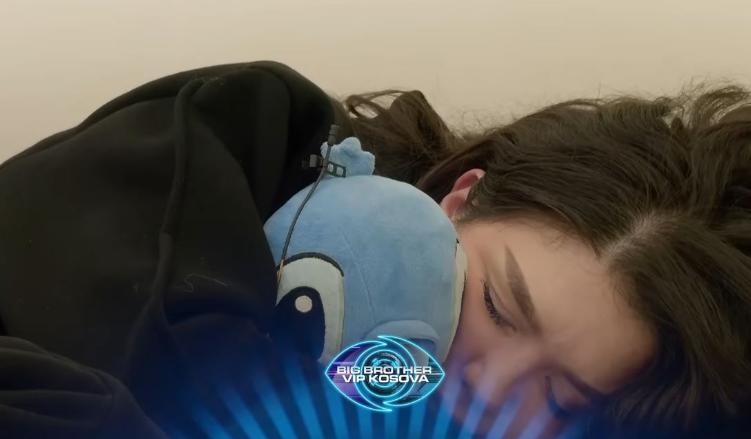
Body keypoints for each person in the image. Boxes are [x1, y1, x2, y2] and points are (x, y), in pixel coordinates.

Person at [0, 60, 748, 439]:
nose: (487, 392)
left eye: (560, 398)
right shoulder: (245, 139)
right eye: (495, 307)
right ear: (460, 196)